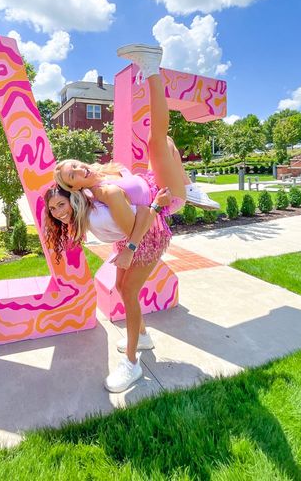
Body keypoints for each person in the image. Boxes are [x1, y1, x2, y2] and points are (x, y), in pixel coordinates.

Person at [49, 43, 202, 392]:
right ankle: (152, 68)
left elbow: (139, 198)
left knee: (163, 143)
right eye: (72, 176)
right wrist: (132, 244)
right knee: (156, 142)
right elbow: (143, 212)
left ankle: (134, 357)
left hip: (155, 209)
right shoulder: (101, 191)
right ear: (73, 189)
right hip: (154, 221)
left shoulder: (105, 174)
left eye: (74, 165)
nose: (77, 170)